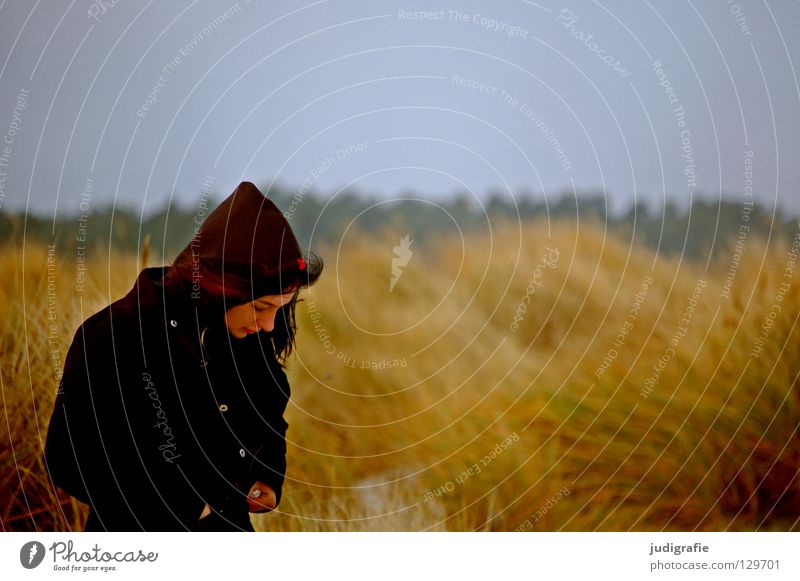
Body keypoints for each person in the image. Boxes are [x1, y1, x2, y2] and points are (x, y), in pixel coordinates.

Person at [44, 181, 322, 531]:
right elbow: (68, 458)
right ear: (221, 287)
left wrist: (267, 474)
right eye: (262, 307)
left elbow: (269, 416)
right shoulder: (117, 335)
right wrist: (190, 505)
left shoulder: (243, 335)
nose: (269, 325)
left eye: (279, 310)